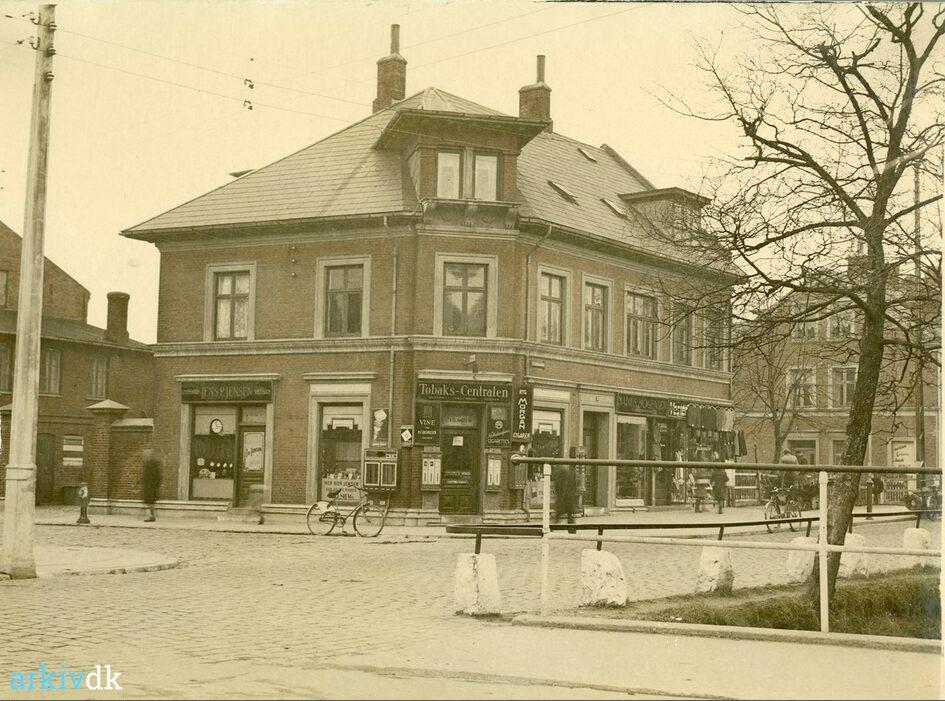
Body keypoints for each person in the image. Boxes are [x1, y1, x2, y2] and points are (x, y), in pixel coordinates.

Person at [141, 448, 163, 522]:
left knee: (150, 502)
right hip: (149, 486)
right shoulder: (149, 463)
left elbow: (157, 476)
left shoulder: (151, 463)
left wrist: (156, 485)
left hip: (150, 486)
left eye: (146, 454)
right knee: (150, 502)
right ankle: (151, 515)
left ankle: (152, 516)